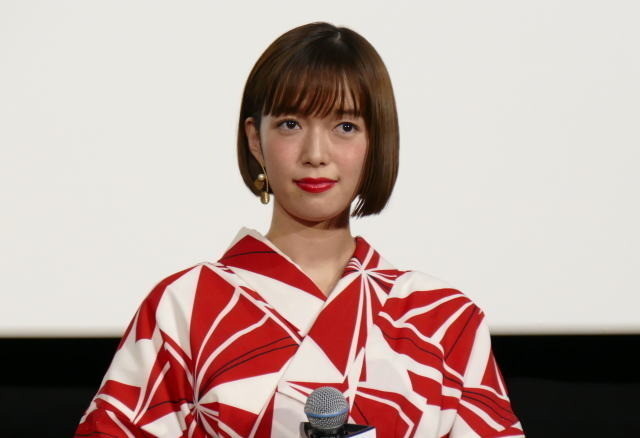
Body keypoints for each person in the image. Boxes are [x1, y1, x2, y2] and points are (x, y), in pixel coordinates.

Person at [75, 22, 524, 437]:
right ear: (255, 138)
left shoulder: (444, 321)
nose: (315, 153)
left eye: (345, 126)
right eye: (291, 124)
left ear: (375, 142)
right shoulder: (183, 309)